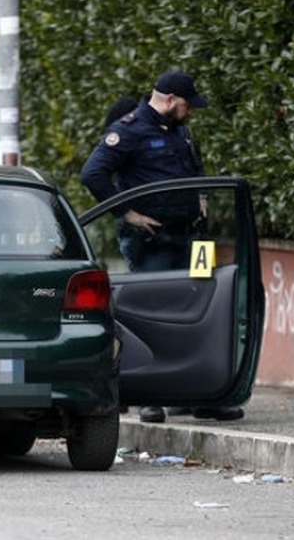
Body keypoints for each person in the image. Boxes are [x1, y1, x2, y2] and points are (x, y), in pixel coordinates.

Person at [81, 70, 243, 424]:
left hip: (192, 236)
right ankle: (149, 399)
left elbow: (196, 169)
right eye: (188, 105)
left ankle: (202, 396)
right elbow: (92, 174)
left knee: (203, 308)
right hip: (152, 239)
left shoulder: (180, 130)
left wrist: (202, 196)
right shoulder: (128, 129)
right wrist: (128, 212)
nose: (192, 112)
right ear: (169, 99)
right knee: (153, 316)